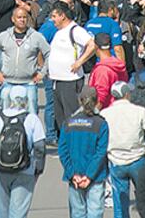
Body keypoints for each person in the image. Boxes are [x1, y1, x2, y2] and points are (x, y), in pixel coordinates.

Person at [0, 84, 46, 218]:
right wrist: (38, 170)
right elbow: (40, 147)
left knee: (2, 211)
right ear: (26, 100)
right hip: (25, 170)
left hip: (1, 170)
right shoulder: (32, 119)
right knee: (18, 212)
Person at [99, 82, 145, 218]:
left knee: (120, 202)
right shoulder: (139, 111)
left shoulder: (105, 114)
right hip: (138, 159)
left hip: (115, 160)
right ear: (126, 94)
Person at [0, 6, 49, 115]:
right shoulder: (4, 36)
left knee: (32, 113)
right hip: (7, 82)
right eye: (19, 17)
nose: (22, 20)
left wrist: (42, 73)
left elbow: (49, 53)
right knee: (6, 115)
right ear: (13, 19)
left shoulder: (36, 37)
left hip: (29, 82)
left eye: (24, 17)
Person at [59, 86, 109, 218]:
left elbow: (63, 151)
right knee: (95, 213)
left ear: (80, 101)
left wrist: (73, 174)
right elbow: (101, 153)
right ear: (97, 101)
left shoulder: (68, 123)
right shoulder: (101, 124)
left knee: (77, 213)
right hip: (95, 177)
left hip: (75, 176)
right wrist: (89, 176)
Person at [47, 3, 96, 129]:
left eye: (54, 16)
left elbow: (92, 45)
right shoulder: (59, 32)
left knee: (72, 116)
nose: (52, 19)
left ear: (62, 16)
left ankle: (74, 142)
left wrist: (79, 62)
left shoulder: (76, 30)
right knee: (60, 117)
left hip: (70, 81)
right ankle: (65, 143)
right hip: (57, 80)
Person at [88, 33, 128, 109]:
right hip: (119, 109)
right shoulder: (119, 64)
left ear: (96, 47)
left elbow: (101, 97)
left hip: (106, 113)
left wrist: (92, 114)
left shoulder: (102, 70)